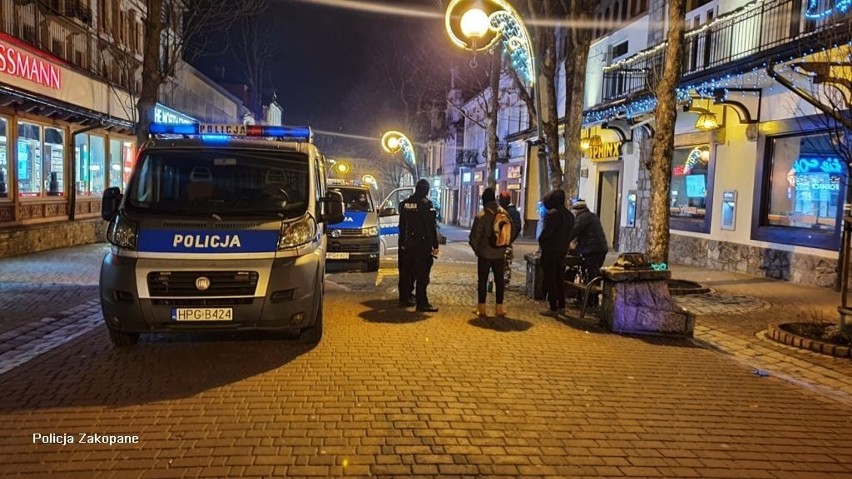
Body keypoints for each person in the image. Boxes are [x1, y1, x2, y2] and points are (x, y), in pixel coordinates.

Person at [399, 179, 440, 312]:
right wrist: (435, 245)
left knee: (407, 272)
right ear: (426, 190)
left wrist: (402, 243)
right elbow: (430, 226)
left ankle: (404, 298)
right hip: (422, 244)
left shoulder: (405, 204)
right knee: (422, 275)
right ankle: (422, 303)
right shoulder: (425, 204)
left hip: (409, 242)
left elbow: (402, 226)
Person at [468, 187, 509, 318]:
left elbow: (474, 237)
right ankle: (499, 308)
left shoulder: (482, 215)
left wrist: (478, 250)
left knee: (483, 280)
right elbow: (510, 232)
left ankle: (482, 308)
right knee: (499, 281)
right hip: (500, 253)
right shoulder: (504, 214)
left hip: (485, 253)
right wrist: (503, 246)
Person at [537, 189, 574, 316]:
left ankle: (553, 307)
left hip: (550, 250)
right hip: (562, 251)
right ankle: (562, 306)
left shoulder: (552, 214)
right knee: (559, 278)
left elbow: (547, 233)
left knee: (551, 278)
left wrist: (541, 240)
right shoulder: (569, 215)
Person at [570, 199, 609, 281]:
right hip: (601, 249)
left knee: (593, 275)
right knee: (594, 273)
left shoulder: (581, 218)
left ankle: (592, 292)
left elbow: (572, 232)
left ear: (576, 210)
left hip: (591, 251)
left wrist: (563, 242)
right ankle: (593, 290)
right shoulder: (592, 215)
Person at [498, 191, 522, 288]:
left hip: (506, 242)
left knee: (506, 263)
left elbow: (517, 227)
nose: (499, 201)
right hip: (499, 242)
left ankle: (504, 282)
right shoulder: (501, 210)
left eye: (501, 199)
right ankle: (500, 281)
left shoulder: (511, 212)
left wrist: (510, 238)